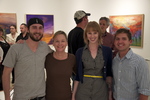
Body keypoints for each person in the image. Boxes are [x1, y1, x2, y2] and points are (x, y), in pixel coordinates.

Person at [2, 18, 52, 100]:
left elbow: (58, 56)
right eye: (34, 27)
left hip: (41, 96)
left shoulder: (45, 47)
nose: (37, 31)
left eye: (40, 28)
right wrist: (7, 97)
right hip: (21, 97)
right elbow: (6, 74)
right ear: (28, 29)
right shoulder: (16, 48)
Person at [72, 21, 113, 100]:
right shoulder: (80, 52)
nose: (92, 36)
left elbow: (109, 75)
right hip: (83, 91)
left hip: (101, 91)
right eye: (89, 33)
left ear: (99, 34)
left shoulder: (107, 51)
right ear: (86, 35)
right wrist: (73, 95)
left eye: (95, 33)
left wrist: (110, 95)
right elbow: (77, 76)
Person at [113, 28, 150, 100]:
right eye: (117, 39)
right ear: (114, 42)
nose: (120, 41)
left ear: (130, 41)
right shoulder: (114, 61)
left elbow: (144, 91)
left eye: (124, 39)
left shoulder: (140, 62)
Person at [45, 30, 76, 100]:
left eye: (63, 41)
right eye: (57, 41)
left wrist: (74, 93)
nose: (60, 44)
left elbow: (78, 77)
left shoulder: (72, 58)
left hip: (67, 97)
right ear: (53, 43)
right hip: (49, 97)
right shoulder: (47, 58)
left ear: (66, 43)